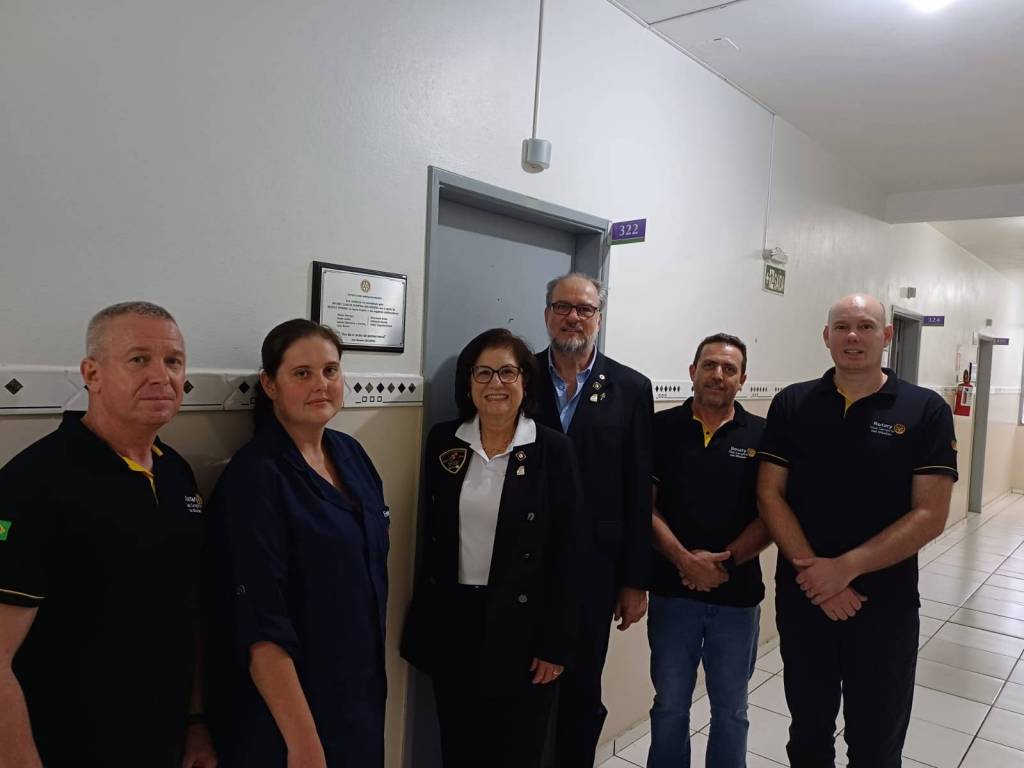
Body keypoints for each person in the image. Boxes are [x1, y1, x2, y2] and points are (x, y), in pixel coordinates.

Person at [0, 301, 216, 768]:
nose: (161, 376)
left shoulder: (177, 475)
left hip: (164, 742)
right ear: (92, 374)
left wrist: (196, 724)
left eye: (173, 361)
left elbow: (186, 613)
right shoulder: (34, 483)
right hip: (67, 746)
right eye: (139, 359)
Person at [758, 294, 957, 767]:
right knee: (808, 734)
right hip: (806, 600)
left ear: (886, 336)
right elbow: (769, 495)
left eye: (866, 326)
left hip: (884, 606)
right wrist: (818, 578)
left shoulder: (925, 410)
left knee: (875, 744)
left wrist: (844, 569)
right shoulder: (793, 404)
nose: (853, 337)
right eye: (842, 327)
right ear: (825, 336)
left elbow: (931, 513)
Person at [204, 319, 389, 768]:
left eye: (330, 370)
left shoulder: (351, 455)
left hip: (357, 701)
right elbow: (260, 626)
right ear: (270, 385)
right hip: (286, 720)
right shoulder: (255, 478)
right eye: (302, 373)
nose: (320, 384)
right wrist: (304, 744)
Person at [401, 328, 581, 768]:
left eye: (507, 372)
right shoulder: (446, 441)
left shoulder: (551, 449)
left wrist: (555, 644)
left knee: (517, 750)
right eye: (483, 373)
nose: (495, 383)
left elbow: (570, 552)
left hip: (524, 626)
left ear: (525, 382)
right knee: (459, 746)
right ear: (468, 383)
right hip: (455, 621)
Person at [533, 273, 653, 767]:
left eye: (585, 309)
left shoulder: (631, 388)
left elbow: (638, 490)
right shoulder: (517, 376)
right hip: (523, 565)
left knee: (581, 689)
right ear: (547, 314)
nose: (573, 317)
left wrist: (635, 580)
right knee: (520, 688)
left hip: (594, 571)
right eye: (563, 307)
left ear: (599, 319)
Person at [648, 333, 770, 768]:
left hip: (737, 598)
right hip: (671, 594)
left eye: (729, 369)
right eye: (709, 365)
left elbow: (771, 513)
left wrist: (725, 562)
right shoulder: (659, 428)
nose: (718, 375)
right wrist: (685, 560)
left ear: (743, 380)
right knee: (669, 706)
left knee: (732, 710)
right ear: (692, 372)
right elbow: (644, 507)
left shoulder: (763, 435)